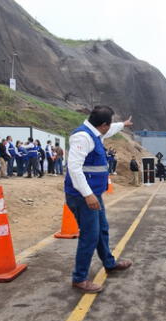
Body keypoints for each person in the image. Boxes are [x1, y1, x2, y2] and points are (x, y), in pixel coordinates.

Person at [65, 106, 134, 293]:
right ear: (102, 125)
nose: (109, 128)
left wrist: (123, 124)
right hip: (83, 197)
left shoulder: (96, 133)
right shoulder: (83, 137)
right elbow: (74, 168)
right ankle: (79, 278)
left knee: (102, 229)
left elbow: (111, 129)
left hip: (94, 195)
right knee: (89, 236)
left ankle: (109, 264)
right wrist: (88, 195)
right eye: (109, 124)